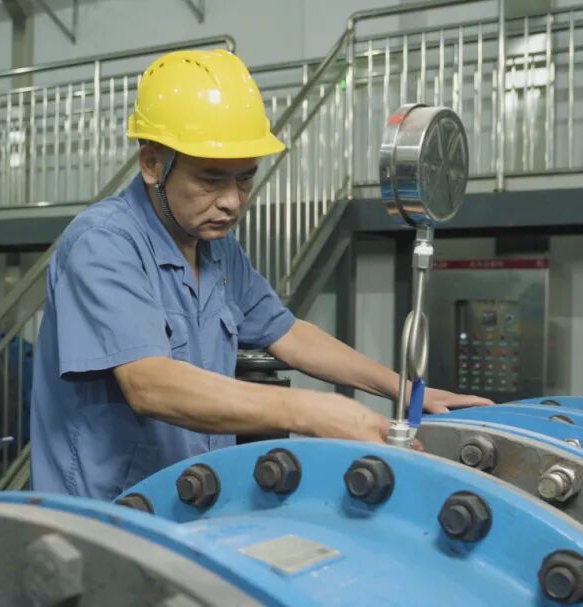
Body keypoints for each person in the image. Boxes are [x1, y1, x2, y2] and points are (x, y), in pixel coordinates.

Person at [30, 49, 492, 501]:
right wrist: (310, 410)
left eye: (245, 179)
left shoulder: (216, 248)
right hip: (107, 515)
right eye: (211, 179)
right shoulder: (104, 243)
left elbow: (287, 333)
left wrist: (403, 389)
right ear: (152, 164)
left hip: (191, 502)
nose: (233, 201)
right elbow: (149, 384)